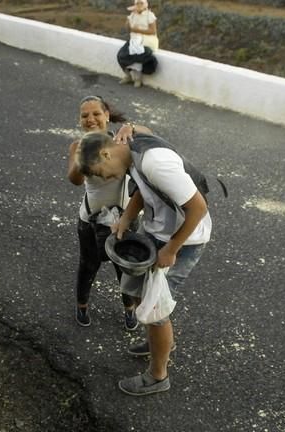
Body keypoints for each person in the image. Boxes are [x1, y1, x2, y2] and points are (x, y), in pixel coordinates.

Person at [75, 131, 210, 396]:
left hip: (184, 239)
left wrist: (172, 249)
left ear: (106, 153)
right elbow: (145, 189)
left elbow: (199, 207)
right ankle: (159, 342)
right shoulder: (131, 157)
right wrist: (126, 218)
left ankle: (158, 376)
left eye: (102, 172)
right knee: (134, 287)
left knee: (156, 308)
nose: (106, 178)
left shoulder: (155, 162)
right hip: (158, 231)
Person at [68, 96, 152, 330]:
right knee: (88, 264)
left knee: (125, 266)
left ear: (106, 115)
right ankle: (82, 305)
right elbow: (74, 180)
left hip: (125, 217)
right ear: (80, 120)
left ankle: (129, 309)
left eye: (96, 113)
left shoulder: (122, 141)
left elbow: (150, 134)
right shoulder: (77, 145)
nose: (90, 119)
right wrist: (80, 157)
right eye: (85, 115)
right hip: (91, 219)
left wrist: (131, 127)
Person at [117, 0, 159, 88]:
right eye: (137, 3)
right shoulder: (133, 14)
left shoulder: (149, 15)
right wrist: (129, 19)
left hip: (147, 41)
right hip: (134, 40)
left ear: (145, 4)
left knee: (137, 56)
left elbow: (153, 31)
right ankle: (128, 75)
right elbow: (128, 29)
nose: (139, 5)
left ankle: (138, 79)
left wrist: (137, 30)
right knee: (121, 55)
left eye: (141, 3)